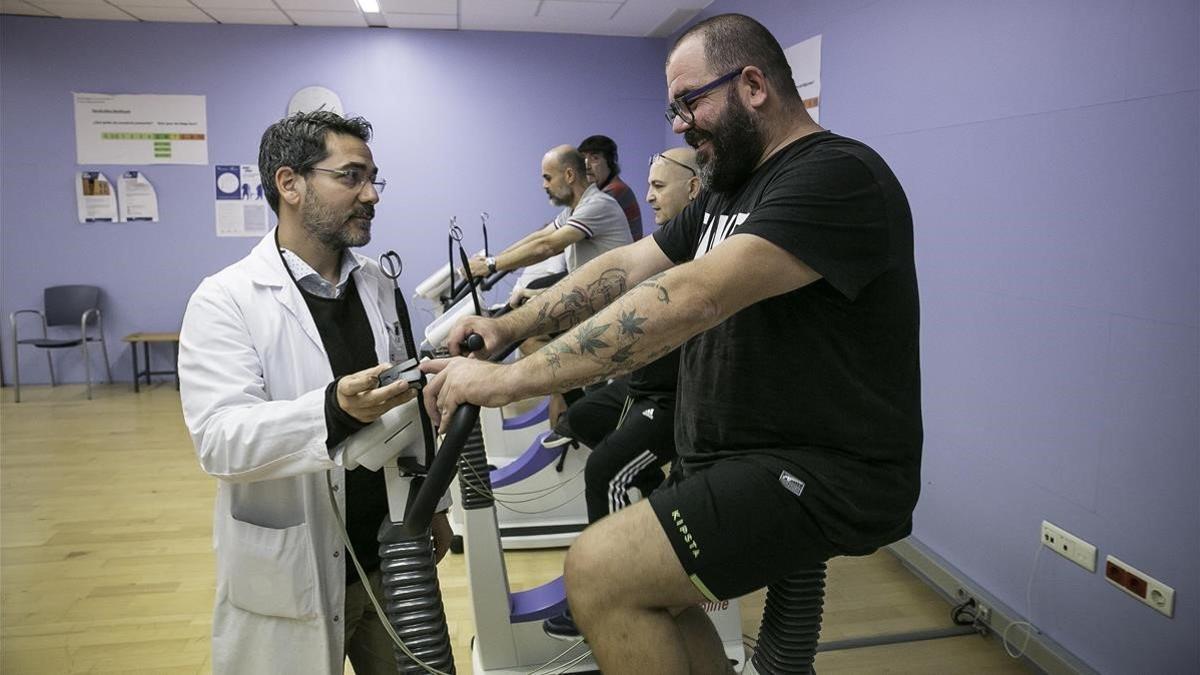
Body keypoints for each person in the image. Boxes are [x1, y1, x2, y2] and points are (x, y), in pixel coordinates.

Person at [420, 13, 922, 674]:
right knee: (660, 595)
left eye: (690, 102)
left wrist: (508, 381)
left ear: (752, 85)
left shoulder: (837, 175)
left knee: (599, 572)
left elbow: (693, 296)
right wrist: (513, 326)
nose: (680, 122)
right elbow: (628, 266)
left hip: (819, 468)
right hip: (732, 454)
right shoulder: (725, 191)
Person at [179, 110, 453, 675]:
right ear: (290, 184)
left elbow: (411, 404)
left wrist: (435, 505)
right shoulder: (224, 300)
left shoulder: (379, 283)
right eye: (351, 176)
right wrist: (331, 412)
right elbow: (220, 441)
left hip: (391, 552)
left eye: (374, 177)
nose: (371, 194)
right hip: (293, 568)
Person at [540, 146, 701, 641]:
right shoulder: (668, 241)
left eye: (658, 186)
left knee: (607, 469)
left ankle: (606, 595)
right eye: (648, 185)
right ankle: (650, 501)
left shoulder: (708, 248)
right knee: (579, 421)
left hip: (675, 399)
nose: (645, 195)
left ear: (693, 187)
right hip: (642, 383)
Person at [467, 144, 631, 280]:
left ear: (569, 175)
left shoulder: (597, 205)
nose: (544, 185)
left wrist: (491, 264)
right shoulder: (574, 210)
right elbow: (541, 236)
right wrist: (495, 260)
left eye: (548, 178)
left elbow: (547, 246)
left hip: (613, 301)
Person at [579, 134, 644, 241]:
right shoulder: (604, 190)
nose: (587, 165)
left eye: (594, 158)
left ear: (610, 162)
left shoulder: (614, 191)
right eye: (583, 159)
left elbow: (572, 232)